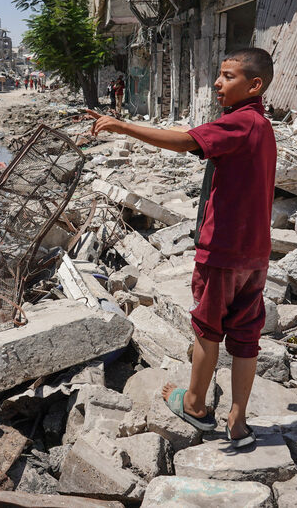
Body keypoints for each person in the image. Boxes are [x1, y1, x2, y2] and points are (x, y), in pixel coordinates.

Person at [86, 48, 276, 449]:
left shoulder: (239, 122)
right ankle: (238, 423)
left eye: (227, 76)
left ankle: (194, 405)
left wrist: (123, 127)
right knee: (246, 335)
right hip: (255, 253)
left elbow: (186, 142)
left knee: (207, 329)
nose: (218, 84)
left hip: (222, 250)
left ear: (254, 85)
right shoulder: (262, 125)